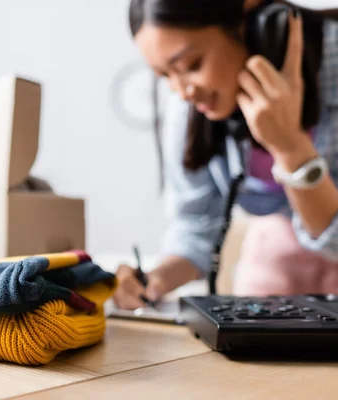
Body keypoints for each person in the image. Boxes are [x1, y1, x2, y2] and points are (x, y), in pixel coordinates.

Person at [114, 0, 338, 310]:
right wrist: (154, 279)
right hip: (277, 259)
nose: (183, 92)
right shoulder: (189, 108)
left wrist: (291, 148)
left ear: (254, 24)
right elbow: (195, 227)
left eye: (191, 65)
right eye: (165, 75)